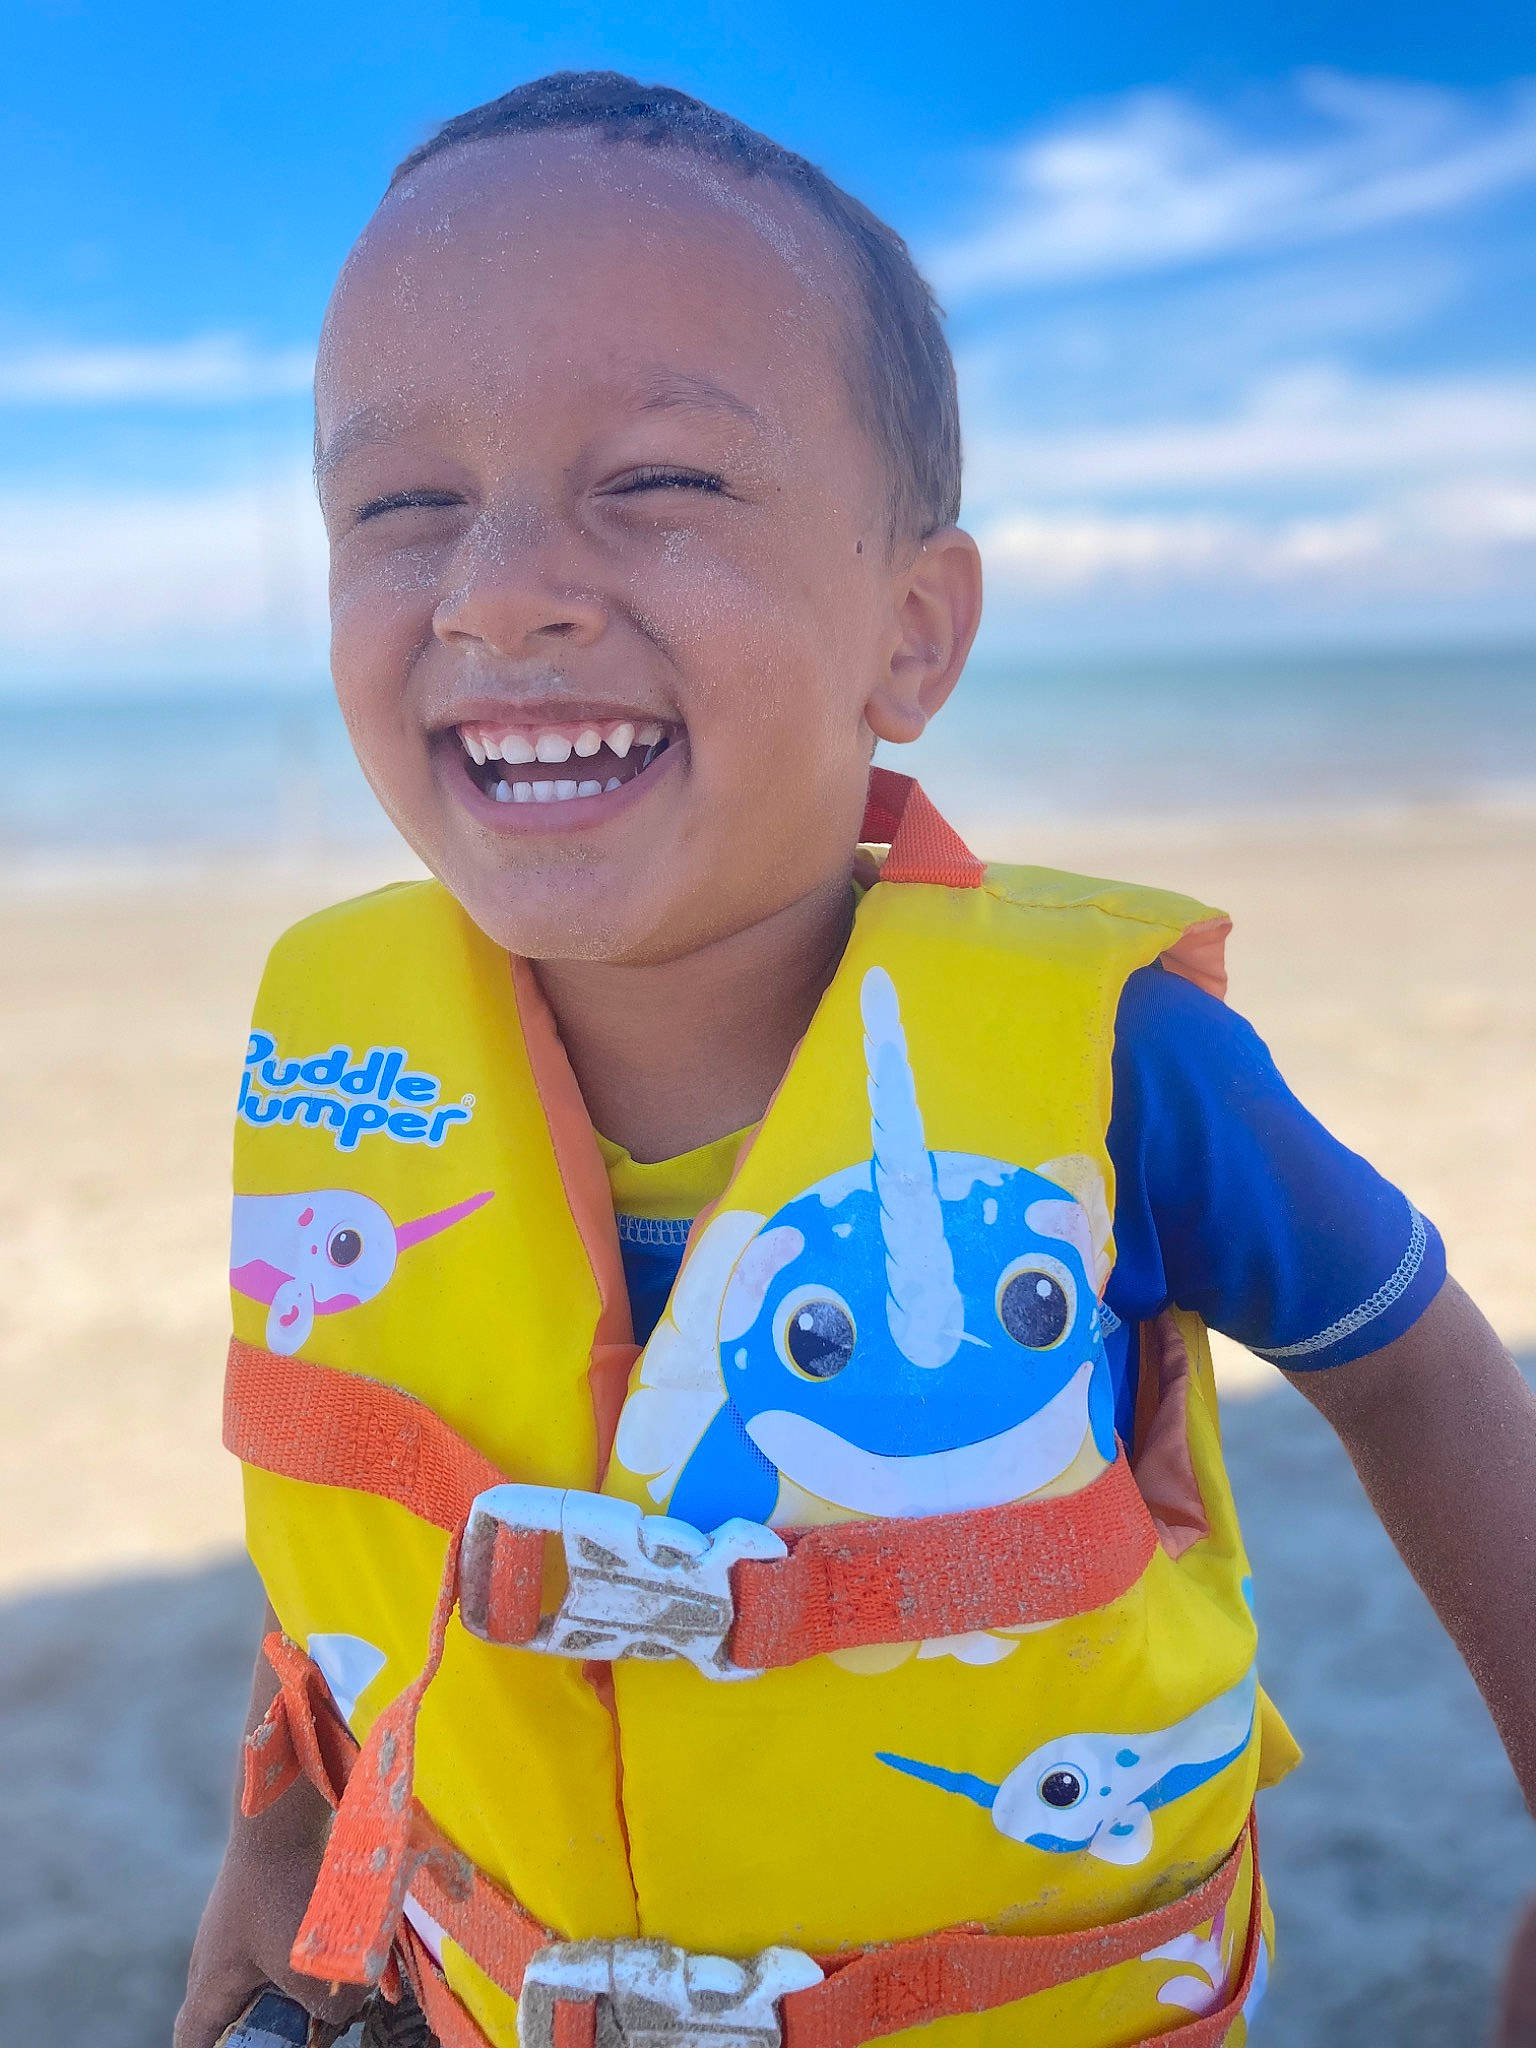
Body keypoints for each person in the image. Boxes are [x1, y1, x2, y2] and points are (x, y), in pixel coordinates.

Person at [176, 71, 1536, 2048]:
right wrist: (285, 1844)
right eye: (403, 504)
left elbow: (1417, 1373)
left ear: (911, 634)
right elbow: (364, 1520)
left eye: (658, 480)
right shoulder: (345, 1056)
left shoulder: (1118, 1065)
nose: (498, 589)